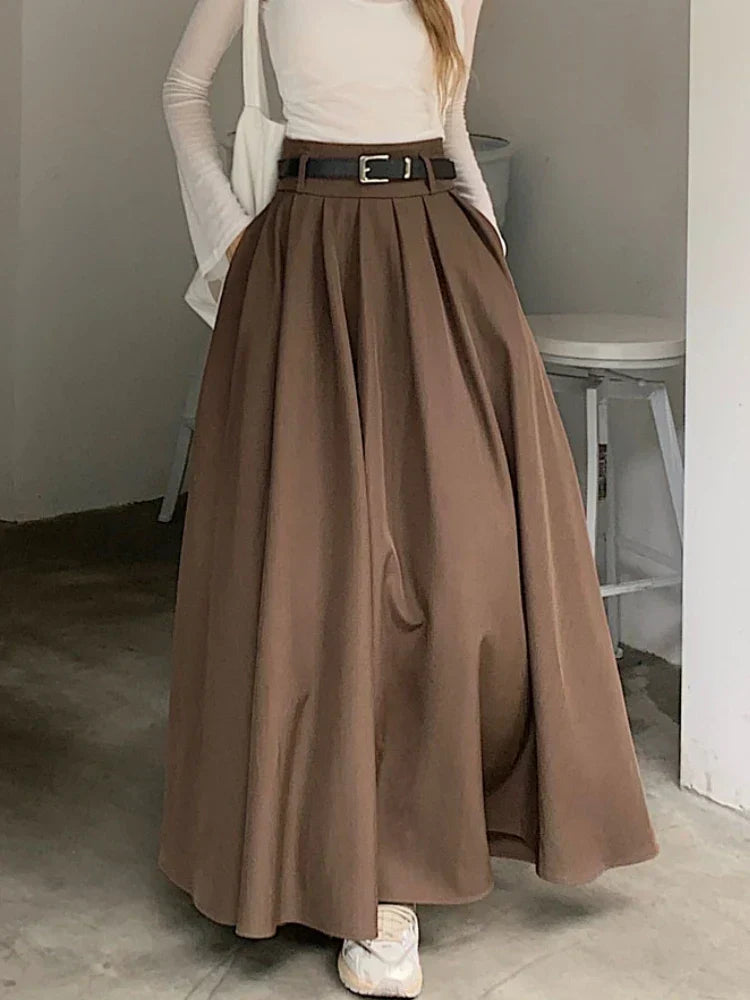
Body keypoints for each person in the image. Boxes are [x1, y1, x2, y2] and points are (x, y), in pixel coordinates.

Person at [157, 1, 659, 997]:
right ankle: (368, 881)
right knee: (314, 575)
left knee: (469, 573)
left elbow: (452, 121)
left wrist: (493, 267)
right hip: (304, 261)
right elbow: (182, 93)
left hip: (440, 253)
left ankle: (438, 822)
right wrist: (231, 246)